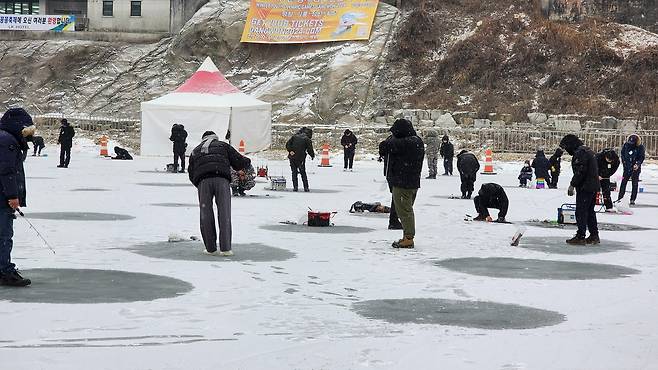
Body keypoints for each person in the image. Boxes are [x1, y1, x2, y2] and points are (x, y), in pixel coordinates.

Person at [188, 131, 251, 256]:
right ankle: (225, 249)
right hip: (221, 180)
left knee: (205, 214)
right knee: (224, 213)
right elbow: (239, 162)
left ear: (203, 139)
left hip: (203, 181)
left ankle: (210, 248)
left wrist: (200, 184)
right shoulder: (223, 146)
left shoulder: (196, 150)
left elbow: (191, 172)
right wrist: (247, 162)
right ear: (215, 138)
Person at [0, 108, 35, 287]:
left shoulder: (4, 137)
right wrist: (12, 196)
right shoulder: (7, 141)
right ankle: (5, 272)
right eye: (26, 129)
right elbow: (7, 172)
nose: (28, 133)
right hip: (2, 197)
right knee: (4, 235)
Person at [378, 118, 424, 249]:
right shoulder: (415, 141)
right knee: (404, 210)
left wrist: (388, 143)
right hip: (409, 182)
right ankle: (406, 236)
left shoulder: (411, 142)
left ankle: (408, 238)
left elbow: (387, 146)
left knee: (404, 211)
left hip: (404, 183)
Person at [560, 134, 600, 245]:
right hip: (593, 186)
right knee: (590, 212)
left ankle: (581, 236)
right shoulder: (587, 151)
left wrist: (572, 185)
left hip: (585, 187)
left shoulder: (580, 153)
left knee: (581, 212)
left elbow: (580, 172)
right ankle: (594, 235)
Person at [378, 143, 403, 230]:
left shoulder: (391, 141)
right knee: (397, 197)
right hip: (395, 173)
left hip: (392, 173)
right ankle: (394, 220)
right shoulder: (395, 142)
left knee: (397, 197)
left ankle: (395, 219)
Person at [618, 134, 645, 205]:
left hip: (635, 168)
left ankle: (632, 199)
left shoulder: (640, 147)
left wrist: (637, 164)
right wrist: (624, 164)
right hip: (627, 167)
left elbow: (641, 157)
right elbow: (623, 154)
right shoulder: (626, 145)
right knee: (623, 183)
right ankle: (620, 198)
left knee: (635, 184)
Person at [285, 127, 315, 192]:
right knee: (303, 172)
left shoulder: (294, 136)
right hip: (301, 158)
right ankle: (306, 187)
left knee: (294, 172)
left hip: (292, 157)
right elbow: (310, 149)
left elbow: (287, 144)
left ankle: (295, 187)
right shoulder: (307, 139)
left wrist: (290, 151)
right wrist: (312, 155)